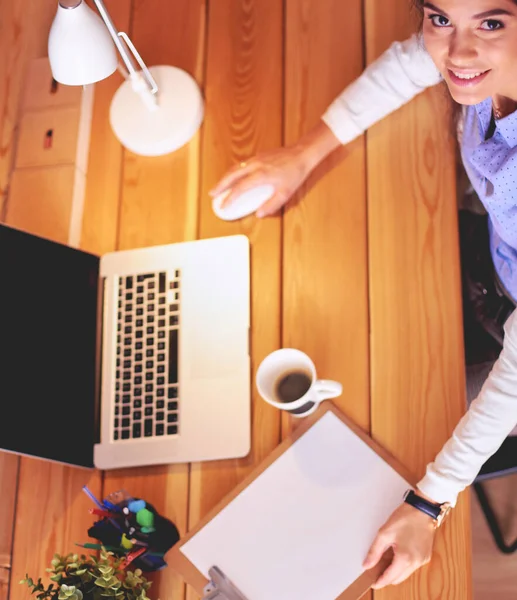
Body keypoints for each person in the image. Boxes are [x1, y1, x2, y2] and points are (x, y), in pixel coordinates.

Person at [210, 0, 517, 589]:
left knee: (398, 427)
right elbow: (412, 64)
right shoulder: (477, 67)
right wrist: (303, 155)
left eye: (492, 23)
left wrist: (429, 505)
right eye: (439, 19)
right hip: (500, 261)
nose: (457, 52)